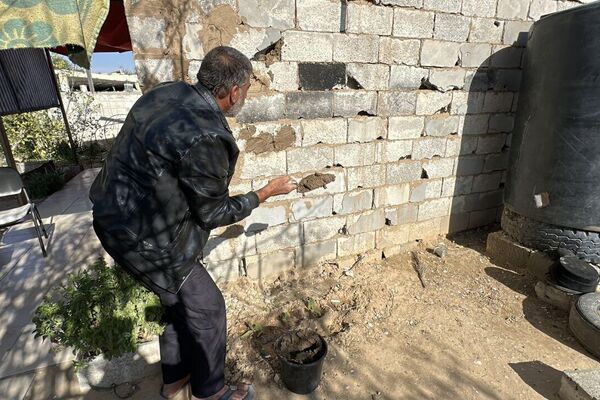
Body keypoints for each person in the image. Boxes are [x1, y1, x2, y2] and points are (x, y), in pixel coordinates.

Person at [89, 46, 296, 400]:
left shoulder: (165, 94)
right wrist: (263, 193)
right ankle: (212, 391)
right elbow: (213, 214)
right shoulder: (208, 137)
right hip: (146, 240)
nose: (244, 95)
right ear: (234, 93)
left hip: (112, 216)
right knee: (207, 307)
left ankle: (175, 380)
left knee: (176, 302)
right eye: (246, 89)